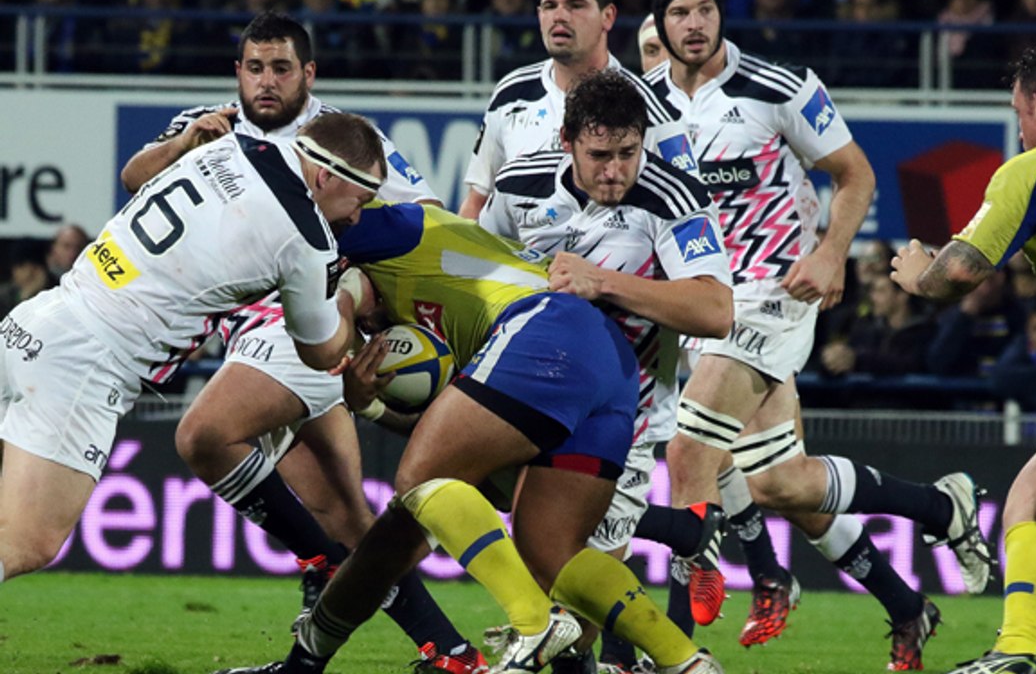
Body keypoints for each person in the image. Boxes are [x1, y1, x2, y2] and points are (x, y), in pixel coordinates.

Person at [644, 0, 993, 668]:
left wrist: (833, 253)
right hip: (701, 300)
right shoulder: (643, 103)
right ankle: (936, 513)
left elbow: (856, 172)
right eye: (678, 15)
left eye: (706, 9)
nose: (694, 24)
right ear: (658, 24)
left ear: (721, 13)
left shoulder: (781, 86)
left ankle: (669, 648)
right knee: (780, 483)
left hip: (776, 292)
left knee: (688, 454)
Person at [214, 204, 729, 674]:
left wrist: (341, 328)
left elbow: (342, 270)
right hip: (608, 368)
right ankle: (682, 660)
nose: (372, 330)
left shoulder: (384, 229)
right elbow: (459, 449)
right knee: (546, 550)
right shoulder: (453, 307)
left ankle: (535, 622)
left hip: (545, 330)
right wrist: (367, 402)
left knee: (420, 480)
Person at [121, 11, 483, 672]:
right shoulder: (210, 124)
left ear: (308, 74)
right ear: (237, 72)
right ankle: (451, 652)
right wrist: (183, 146)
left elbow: (421, 218)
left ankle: (317, 564)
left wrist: (367, 297)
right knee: (347, 518)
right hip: (249, 331)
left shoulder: (344, 138)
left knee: (203, 435)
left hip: (305, 323)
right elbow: (133, 178)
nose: (266, 82)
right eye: (254, 68)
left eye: (281, 68)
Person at [0, 111, 373, 587]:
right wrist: (350, 298)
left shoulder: (227, 145)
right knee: (28, 540)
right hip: (85, 362)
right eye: (360, 199)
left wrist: (181, 145)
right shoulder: (307, 235)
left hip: (35, 320)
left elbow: (134, 176)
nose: (357, 215)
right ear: (326, 176)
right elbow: (320, 353)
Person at [480, 69, 733, 673]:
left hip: (626, 415)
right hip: (528, 395)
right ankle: (678, 533)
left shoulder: (673, 198)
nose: (616, 170)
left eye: (628, 153)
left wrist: (607, 284)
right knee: (440, 481)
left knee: (569, 581)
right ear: (567, 141)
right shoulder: (519, 186)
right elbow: (477, 269)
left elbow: (715, 310)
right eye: (600, 156)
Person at [891, 35, 1036, 674]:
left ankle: (1019, 651)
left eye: (1019, 114)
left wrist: (916, 272)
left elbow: (959, 276)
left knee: (1030, 505)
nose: (1021, 129)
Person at [457, 0, 697, 221]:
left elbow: (690, 216)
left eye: (575, 5)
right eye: (550, 6)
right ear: (539, 15)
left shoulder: (652, 108)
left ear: (608, 16)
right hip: (519, 261)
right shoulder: (511, 94)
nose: (559, 17)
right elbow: (476, 203)